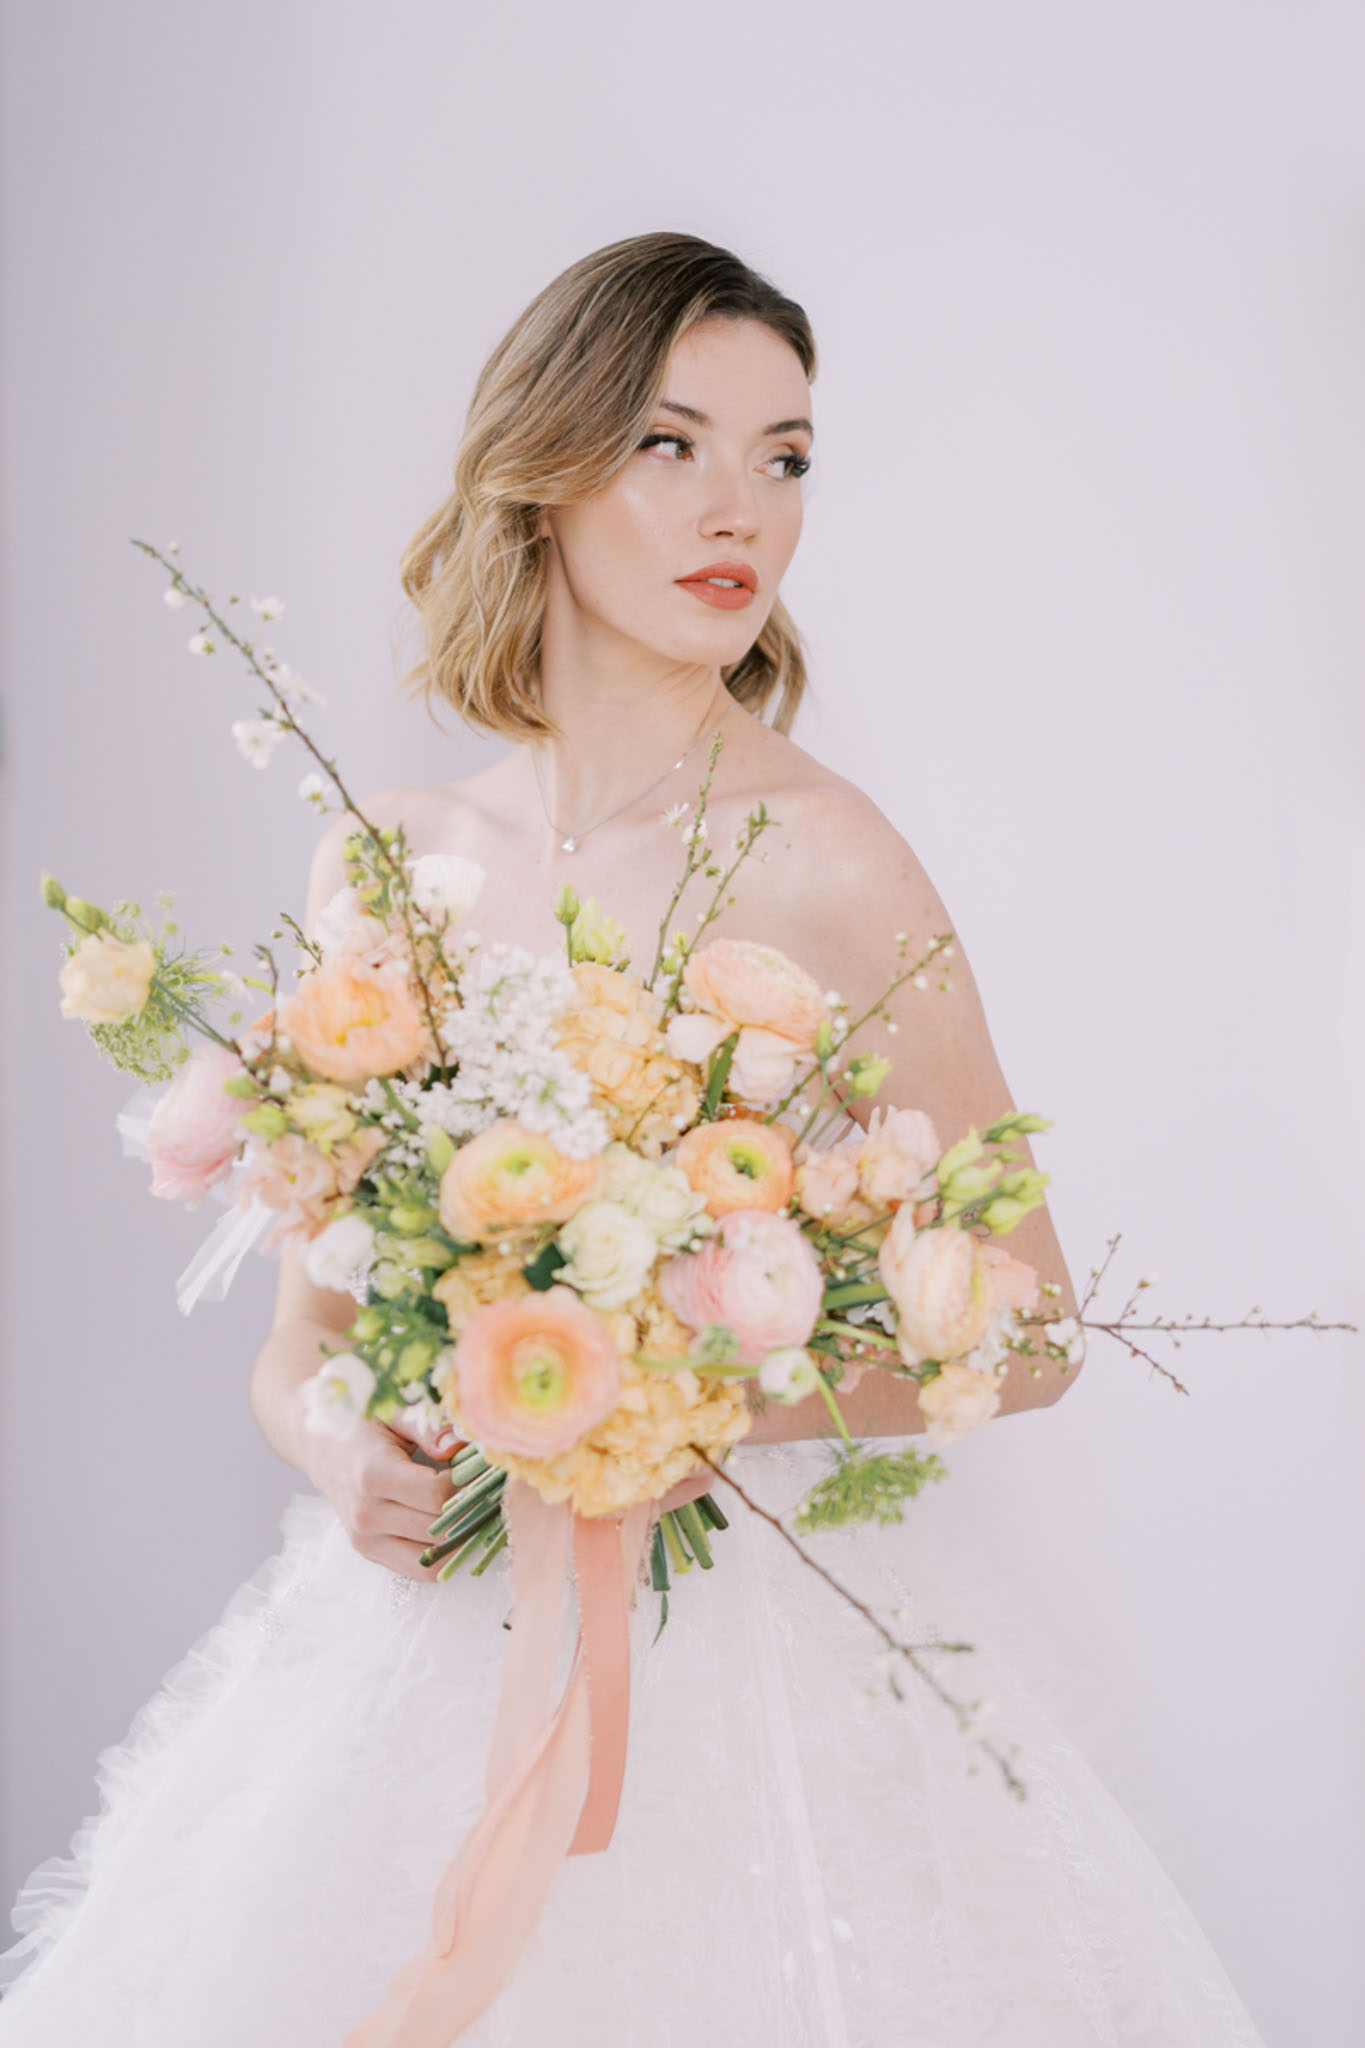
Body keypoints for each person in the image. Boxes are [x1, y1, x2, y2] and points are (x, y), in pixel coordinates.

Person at [0, 232, 1268, 2045]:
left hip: (737, 1662)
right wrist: (341, 1457)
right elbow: (306, 1350)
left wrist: (684, 1402)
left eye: (786, 454)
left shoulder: (831, 857)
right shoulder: (393, 861)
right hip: (419, 1651)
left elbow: (1034, 1321)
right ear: (548, 462)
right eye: (671, 444)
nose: (736, 504)